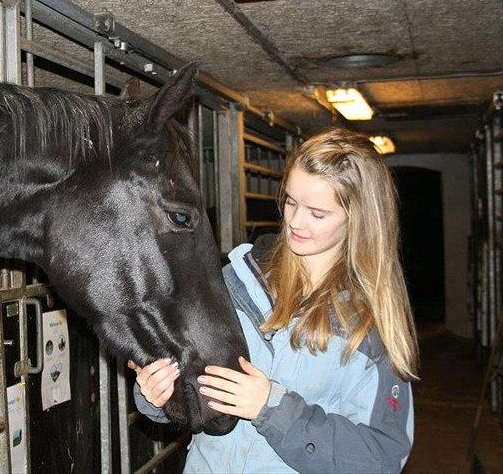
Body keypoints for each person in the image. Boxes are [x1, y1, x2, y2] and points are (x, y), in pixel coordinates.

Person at [129, 127, 418, 473]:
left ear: (358, 220)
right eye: (291, 202)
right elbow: (194, 388)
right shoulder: (234, 281)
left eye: (318, 213)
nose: (294, 221)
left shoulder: (369, 328)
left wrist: (273, 408)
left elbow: (380, 458)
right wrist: (158, 395)